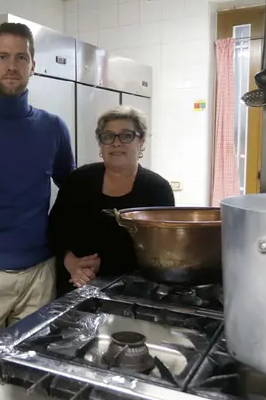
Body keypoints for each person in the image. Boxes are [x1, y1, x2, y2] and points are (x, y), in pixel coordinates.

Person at [0, 22, 76, 353]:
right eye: (3, 57)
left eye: (21, 58)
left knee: (35, 367)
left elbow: (73, 192)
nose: (12, 66)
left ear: (33, 66)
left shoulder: (53, 128)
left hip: (41, 273)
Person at [48, 106, 175, 297]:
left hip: (133, 293)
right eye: (108, 136)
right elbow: (54, 230)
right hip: (75, 285)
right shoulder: (79, 179)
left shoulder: (157, 189)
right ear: (100, 144)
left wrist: (104, 264)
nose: (116, 143)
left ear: (141, 141)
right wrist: (71, 262)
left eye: (126, 136)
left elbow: (161, 252)